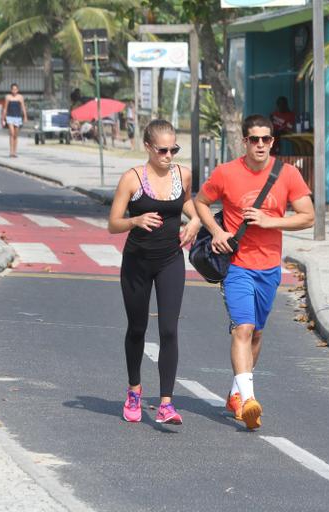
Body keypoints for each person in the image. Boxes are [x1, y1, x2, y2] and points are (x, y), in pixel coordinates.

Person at [194, 115, 315, 430]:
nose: (260, 144)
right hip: (237, 266)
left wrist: (270, 220)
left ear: (272, 141)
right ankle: (249, 400)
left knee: (257, 333)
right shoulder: (226, 173)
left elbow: (308, 217)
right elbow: (201, 202)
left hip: (269, 267)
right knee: (243, 330)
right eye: (254, 139)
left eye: (266, 139)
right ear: (244, 141)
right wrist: (216, 233)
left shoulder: (288, 174)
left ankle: (236, 393)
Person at [108, 119, 201, 425]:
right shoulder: (131, 179)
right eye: (162, 149)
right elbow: (113, 223)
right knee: (137, 328)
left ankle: (166, 403)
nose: (168, 155)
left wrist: (196, 222)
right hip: (137, 262)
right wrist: (135, 221)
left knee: (169, 330)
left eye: (173, 148)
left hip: (170, 261)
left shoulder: (183, 174)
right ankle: (134, 390)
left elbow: (189, 203)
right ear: (147, 147)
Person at [1, 83, 27, 158]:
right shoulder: (8, 97)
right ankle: (11, 151)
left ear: (18, 90)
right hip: (10, 117)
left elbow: (23, 107)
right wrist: (3, 119)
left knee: (16, 135)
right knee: (11, 133)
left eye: (15, 89)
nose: (14, 91)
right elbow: (5, 108)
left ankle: (15, 152)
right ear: (11, 90)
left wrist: (25, 116)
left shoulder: (20, 97)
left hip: (17, 117)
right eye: (13, 89)